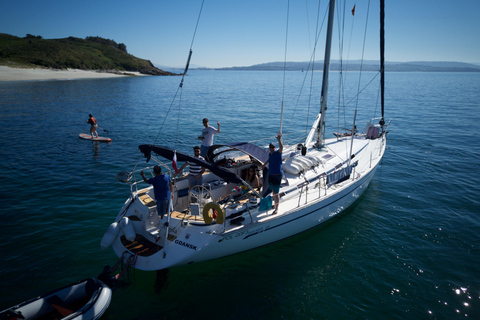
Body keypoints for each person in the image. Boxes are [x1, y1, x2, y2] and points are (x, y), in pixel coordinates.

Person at [261, 133, 283, 214]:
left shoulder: (278, 153)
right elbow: (269, 160)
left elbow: (281, 148)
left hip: (277, 175)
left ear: (275, 148)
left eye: (272, 147)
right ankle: (274, 205)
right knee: (273, 191)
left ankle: (277, 208)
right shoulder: (270, 154)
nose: (271, 148)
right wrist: (264, 165)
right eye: (270, 147)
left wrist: (279, 139)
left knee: (276, 192)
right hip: (271, 175)